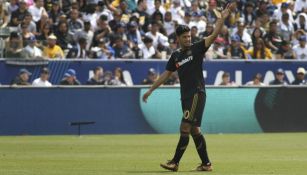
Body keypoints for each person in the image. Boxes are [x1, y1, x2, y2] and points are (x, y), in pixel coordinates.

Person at [142, 3, 235, 172]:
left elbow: (214, 35)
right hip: (186, 95)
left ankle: (175, 162)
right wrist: (150, 90)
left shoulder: (197, 48)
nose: (188, 39)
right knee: (194, 130)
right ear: (178, 38)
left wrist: (221, 20)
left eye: (189, 36)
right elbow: (166, 74)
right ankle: (206, 164)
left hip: (196, 93)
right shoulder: (176, 55)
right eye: (184, 37)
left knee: (184, 127)